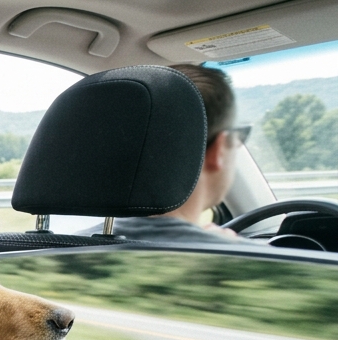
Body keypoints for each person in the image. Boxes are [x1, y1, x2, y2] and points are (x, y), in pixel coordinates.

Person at [86, 63, 248, 243]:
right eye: (240, 136)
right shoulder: (259, 263)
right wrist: (225, 249)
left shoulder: (57, 248)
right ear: (219, 150)